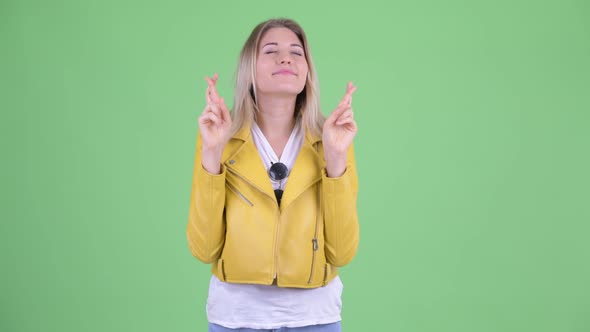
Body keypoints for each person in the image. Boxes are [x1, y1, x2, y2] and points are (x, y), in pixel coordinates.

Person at [186, 18, 360, 331]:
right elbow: (205, 248)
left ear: (307, 71)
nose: (286, 58)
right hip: (235, 318)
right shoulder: (219, 137)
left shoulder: (331, 140)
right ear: (248, 68)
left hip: (316, 318)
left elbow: (342, 251)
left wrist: (335, 160)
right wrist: (212, 154)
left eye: (296, 51)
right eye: (271, 51)